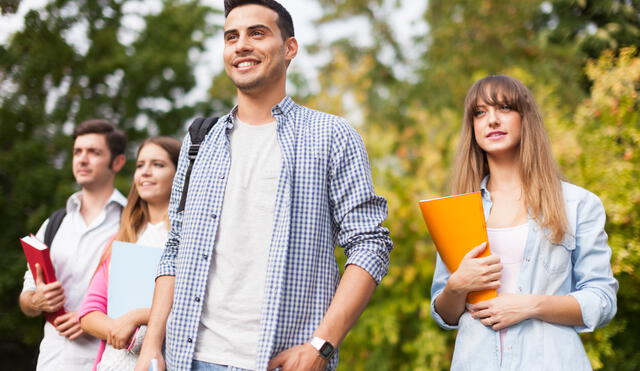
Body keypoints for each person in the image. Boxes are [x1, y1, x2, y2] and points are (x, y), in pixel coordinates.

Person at [135, 1, 393, 370]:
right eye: (231, 37)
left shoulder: (331, 136)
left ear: (289, 48)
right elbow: (177, 245)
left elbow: (370, 244)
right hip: (187, 358)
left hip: (281, 360)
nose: (241, 45)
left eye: (257, 33)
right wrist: (152, 346)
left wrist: (321, 345)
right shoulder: (198, 141)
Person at [430, 75, 618, 370]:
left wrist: (531, 305)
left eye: (504, 108)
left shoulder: (578, 204)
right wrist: (457, 286)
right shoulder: (458, 210)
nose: (492, 120)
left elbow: (602, 300)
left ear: (524, 118)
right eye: (480, 112)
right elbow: (446, 315)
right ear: (473, 128)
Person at [19, 119, 128, 370]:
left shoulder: (131, 224)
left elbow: (142, 301)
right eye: (78, 152)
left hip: (104, 362)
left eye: (94, 152)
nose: (82, 159)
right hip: (51, 360)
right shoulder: (55, 223)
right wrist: (37, 301)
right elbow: (26, 298)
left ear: (118, 162)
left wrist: (91, 320)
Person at [77, 137, 181, 370]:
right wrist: (122, 330)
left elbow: (199, 306)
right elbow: (89, 311)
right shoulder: (121, 239)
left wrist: (137, 317)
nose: (145, 172)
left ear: (180, 173)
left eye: (158, 165)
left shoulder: (191, 240)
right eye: (140, 165)